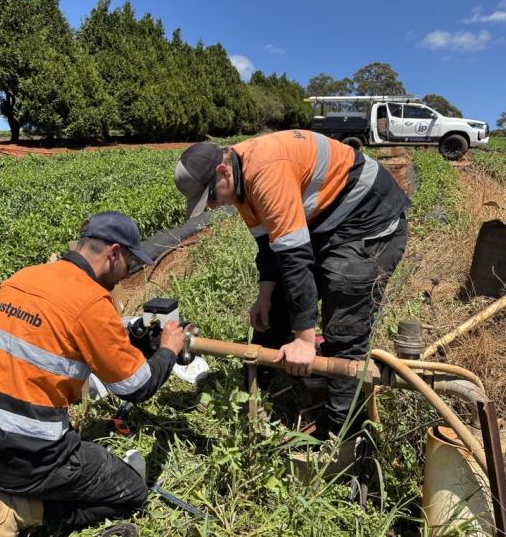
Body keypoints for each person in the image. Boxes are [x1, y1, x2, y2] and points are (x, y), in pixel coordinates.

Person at [0, 211, 186, 536]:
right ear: (113, 254)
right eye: (130, 262)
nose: (128, 273)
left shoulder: (22, 279)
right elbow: (136, 387)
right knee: (131, 493)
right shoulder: (91, 301)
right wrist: (168, 348)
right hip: (28, 458)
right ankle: (15, 511)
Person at [174, 130, 408, 439]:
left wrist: (304, 340)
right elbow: (270, 250)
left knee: (343, 315)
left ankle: (341, 434)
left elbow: (296, 259)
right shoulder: (239, 183)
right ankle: (256, 393)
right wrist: (264, 296)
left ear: (222, 170)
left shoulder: (265, 172)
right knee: (279, 303)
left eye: (212, 196)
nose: (214, 205)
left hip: (368, 216)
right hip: (328, 218)